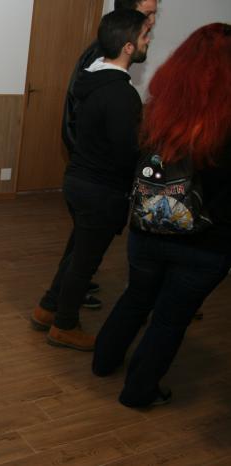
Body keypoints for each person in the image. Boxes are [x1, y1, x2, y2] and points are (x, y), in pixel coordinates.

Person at [92, 23, 231, 407]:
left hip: (149, 229)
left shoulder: (159, 108)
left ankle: (103, 361)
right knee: (170, 319)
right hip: (207, 241)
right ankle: (139, 392)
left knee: (136, 297)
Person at [31, 9, 151, 350]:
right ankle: (65, 325)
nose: (147, 42)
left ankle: (47, 308)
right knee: (85, 262)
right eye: (144, 37)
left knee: (76, 253)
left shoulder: (91, 81)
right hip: (101, 190)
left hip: (78, 182)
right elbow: (126, 152)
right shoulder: (122, 94)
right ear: (128, 47)